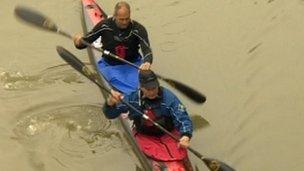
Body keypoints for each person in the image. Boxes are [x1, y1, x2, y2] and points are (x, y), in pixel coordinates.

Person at [103, 70, 194, 170]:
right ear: (141, 87)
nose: (152, 92)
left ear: (158, 85)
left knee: (180, 159)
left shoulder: (169, 98)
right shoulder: (132, 99)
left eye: (154, 88)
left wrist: (186, 136)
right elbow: (110, 114)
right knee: (158, 165)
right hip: (146, 137)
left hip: (169, 134)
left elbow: (183, 118)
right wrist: (110, 103)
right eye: (148, 89)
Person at [73, 1, 153, 94]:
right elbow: (85, 42)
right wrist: (78, 42)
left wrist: (147, 61)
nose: (124, 22)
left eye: (127, 19)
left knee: (145, 84)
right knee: (127, 86)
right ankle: (128, 95)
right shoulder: (104, 26)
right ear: (114, 16)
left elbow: (147, 50)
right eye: (121, 19)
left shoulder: (138, 29)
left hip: (133, 64)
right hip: (110, 66)